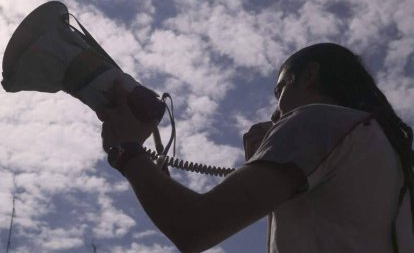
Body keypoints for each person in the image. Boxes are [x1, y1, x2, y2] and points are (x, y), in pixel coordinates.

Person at [97, 43, 414, 252]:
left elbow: (193, 226)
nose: (276, 112)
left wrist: (126, 151)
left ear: (309, 76)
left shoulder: (317, 120)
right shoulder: (385, 151)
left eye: (280, 90)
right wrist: (263, 166)